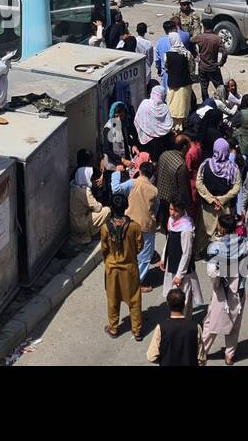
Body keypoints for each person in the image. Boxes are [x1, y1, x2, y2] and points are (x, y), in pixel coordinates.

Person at [202, 213, 248, 365]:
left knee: (211, 323)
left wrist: (216, 284)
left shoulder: (216, 248)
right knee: (234, 324)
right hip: (239, 290)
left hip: (222, 291)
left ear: (221, 228)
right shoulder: (245, 243)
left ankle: (202, 352)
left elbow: (211, 272)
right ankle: (230, 355)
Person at [101, 194, 144, 340]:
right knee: (134, 299)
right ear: (126, 207)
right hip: (130, 268)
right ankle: (137, 330)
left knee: (112, 299)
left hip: (112, 269)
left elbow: (104, 249)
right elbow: (140, 247)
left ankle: (114, 328)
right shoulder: (135, 227)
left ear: (112, 208)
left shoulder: (105, 228)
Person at [160, 201, 204, 311]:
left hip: (183, 268)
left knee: (184, 296)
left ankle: (185, 321)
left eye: (176, 211)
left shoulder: (186, 228)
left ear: (182, 210)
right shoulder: (171, 221)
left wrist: (180, 274)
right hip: (172, 262)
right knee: (173, 296)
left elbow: (187, 253)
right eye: (170, 209)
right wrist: (163, 257)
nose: (172, 213)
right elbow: (169, 240)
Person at [196, 139, 241, 244]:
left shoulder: (205, 164)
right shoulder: (233, 167)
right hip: (225, 206)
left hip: (208, 206)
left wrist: (211, 199)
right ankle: (223, 255)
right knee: (224, 232)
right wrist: (222, 200)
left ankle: (198, 253)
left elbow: (199, 183)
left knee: (203, 232)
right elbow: (237, 187)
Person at [146, 288, 202, 366]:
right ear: (184, 304)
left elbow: (151, 356)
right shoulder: (196, 327)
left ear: (168, 304)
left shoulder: (161, 327)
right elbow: (201, 358)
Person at [70, 156, 110, 244]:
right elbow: (97, 208)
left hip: (74, 222)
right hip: (81, 224)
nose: (91, 179)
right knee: (106, 210)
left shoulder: (73, 186)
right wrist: (98, 202)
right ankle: (92, 232)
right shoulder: (85, 191)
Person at [134, 85, 173, 160]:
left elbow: (137, 120)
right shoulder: (164, 108)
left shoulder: (144, 103)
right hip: (160, 143)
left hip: (145, 142)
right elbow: (168, 125)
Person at [192, 24, 227, 102]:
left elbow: (190, 41)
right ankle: (223, 102)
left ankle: (206, 103)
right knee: (220, 87)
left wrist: (194, 54)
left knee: (204, 88)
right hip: (213, 67)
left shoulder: (200, 37)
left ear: (204, 27)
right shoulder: (217, 38)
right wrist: (221, 62)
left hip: (202, 67)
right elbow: (224, 52)